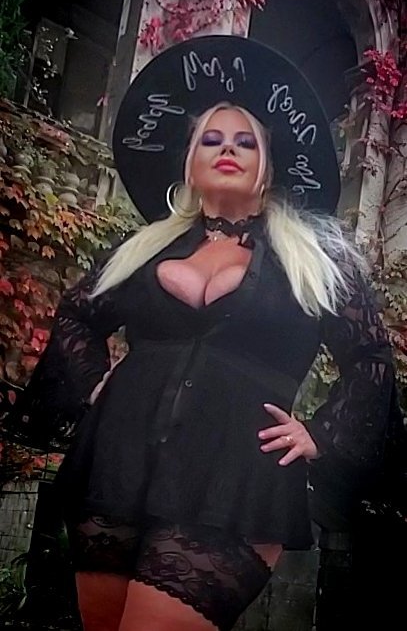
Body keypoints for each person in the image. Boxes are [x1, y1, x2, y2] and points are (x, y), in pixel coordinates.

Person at [4, 36, 402, 631]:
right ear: (189, 162)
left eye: (246, 141)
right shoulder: (146, 249)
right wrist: (93, 384)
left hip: (236, 475)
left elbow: (370, 356)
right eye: (211, 140)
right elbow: (76, 316)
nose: (228, 149)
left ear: (268, 165)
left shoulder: (315, 261)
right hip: (118, 462)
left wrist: (321, 434)